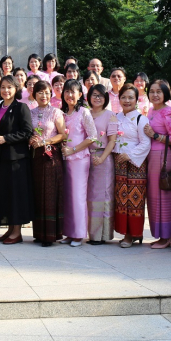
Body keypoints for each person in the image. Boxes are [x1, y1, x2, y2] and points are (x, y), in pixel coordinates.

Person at [0, 75, 34, 245]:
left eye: (9, 87)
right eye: (3, 87)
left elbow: (27, 131)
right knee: (6, 195)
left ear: (16, 89)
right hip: (1, 158)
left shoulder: (21, 107)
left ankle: (17, 232)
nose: (6, 90)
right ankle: (10, 230)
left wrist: (5, 139)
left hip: (17, 159)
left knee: (17, 196)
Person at [142, 80, 171, 249]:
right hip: (152, 157)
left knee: (163, 197)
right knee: (153, 197)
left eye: (159, 91)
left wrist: (155, 135)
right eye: (152, 91)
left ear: (166, 93)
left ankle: (166, 237)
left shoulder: (169, 112)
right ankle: (166, 236)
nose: (155, 95)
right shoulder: (151, 110)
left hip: (163, 157)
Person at [60, 79, 98, 247]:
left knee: (78, 196)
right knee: (67, 197)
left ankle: (79, 234)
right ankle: (69, 232)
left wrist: (73, 150)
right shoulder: (61, 113)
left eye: (73, 91)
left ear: (80, 94)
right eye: (67, 91)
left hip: (79, 159)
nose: (69, 95)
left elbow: (92, 136)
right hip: (64, 159)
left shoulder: (84, 112)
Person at [113, 83, 152, 248]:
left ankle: (132, 234)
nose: (127, 100)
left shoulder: (141, 119)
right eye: (123, 97)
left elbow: (146, 143)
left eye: (130, 97)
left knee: (134, 200)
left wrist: (129, 155)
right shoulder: (116, 117)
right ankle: (125, 232)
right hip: (119, 163)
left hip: (136, 164)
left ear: (137, 100)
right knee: (121, 199)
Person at [29, 80, 67, 247]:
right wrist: (30, 139)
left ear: (51, 94)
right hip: (36, 157)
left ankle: (50, 235)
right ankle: (39, 233)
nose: (43, 95)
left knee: (50, 194)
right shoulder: (30, 112)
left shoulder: (56, 112)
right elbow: (27, 132)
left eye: (46, 92)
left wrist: (45, 141)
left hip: (51, 157)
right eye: (40, 92)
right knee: (38, 194)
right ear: (34, 95)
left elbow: (63, 134)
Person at [86, 84, 117, 244]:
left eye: (100, 95)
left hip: (103, 158)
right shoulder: (85, 113)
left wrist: (102, 158)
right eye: (94, 95)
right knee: (90, 197)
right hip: (86, 157)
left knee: (103, 196)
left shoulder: (110, 115)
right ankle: (91, 233)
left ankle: (102, 235)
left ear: (105, 98)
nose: (97, 98)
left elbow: (112, 141)